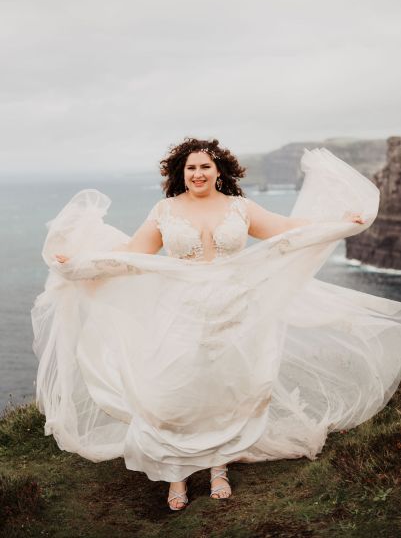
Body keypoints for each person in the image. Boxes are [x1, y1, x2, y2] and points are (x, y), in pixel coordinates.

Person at [33, 138, 401, 512]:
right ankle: (176, 472)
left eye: (205, 167)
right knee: (175, 387)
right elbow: (130, 255)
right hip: (179, 310)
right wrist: (80, 261)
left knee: (225, 386)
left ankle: (217, 466)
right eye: (191, 168)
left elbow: (288, 229)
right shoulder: (165, 210)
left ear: (219, 170)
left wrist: (339, 225)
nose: (198, 174)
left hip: (233, 309)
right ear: (181, 172)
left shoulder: (240, 207)